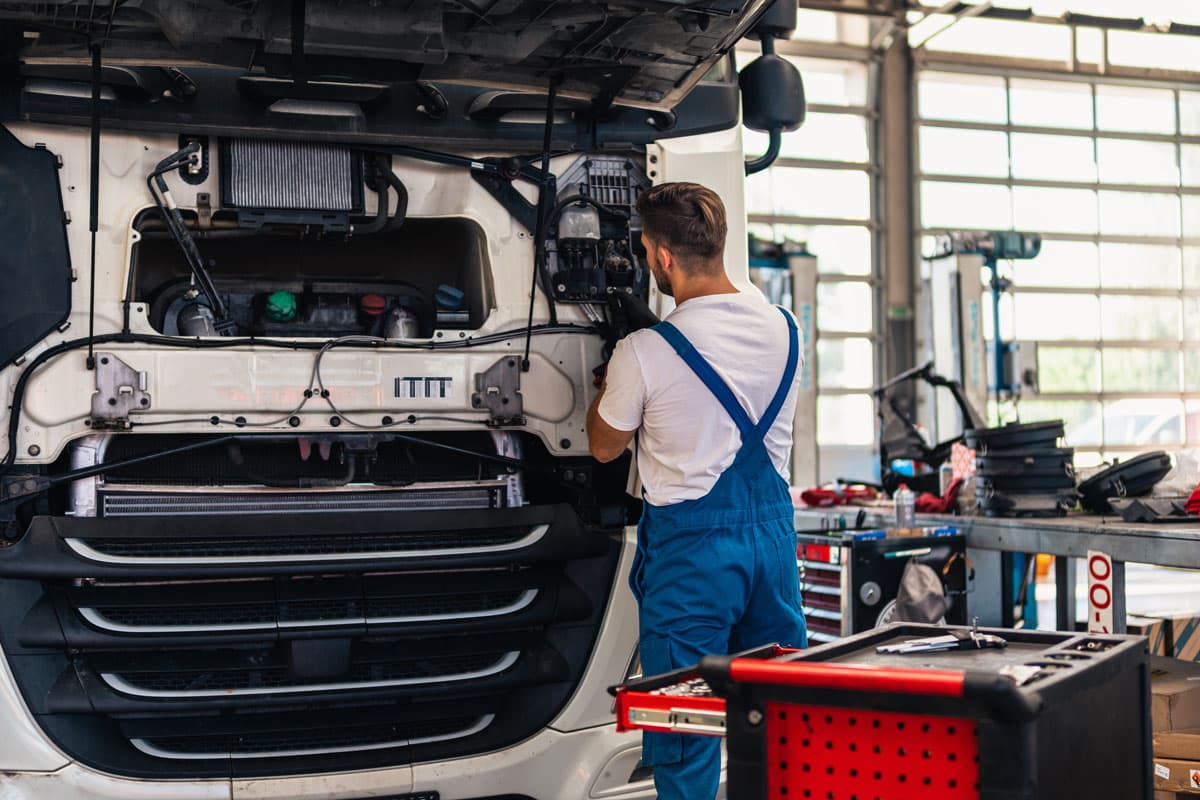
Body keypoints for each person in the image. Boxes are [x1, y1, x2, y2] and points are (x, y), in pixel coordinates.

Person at [587, 181, 807, 800]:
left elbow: (604, 445)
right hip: (772, 547)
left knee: (688, 735)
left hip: (692, 562)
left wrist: (610, 388)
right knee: (775, 722)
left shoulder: (643, 352)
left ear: (660, 257)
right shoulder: (786, 328)